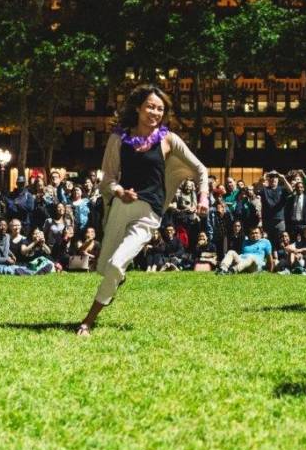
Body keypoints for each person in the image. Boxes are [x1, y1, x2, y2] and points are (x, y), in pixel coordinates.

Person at [77, 85, 209, 336]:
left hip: (149, 213)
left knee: (116, 265)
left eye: (160, 109)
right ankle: (117, 279)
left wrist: (203, 197)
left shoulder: (168, 139)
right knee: (105, 268)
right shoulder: (119, 139)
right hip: (121, 206)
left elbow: (201, 168)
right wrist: (120, 192)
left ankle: (88, 320)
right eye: (150, 106)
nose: (155, 112)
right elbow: (107, 181)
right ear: (138, 108)